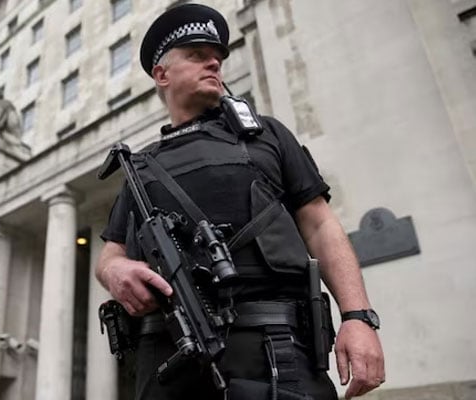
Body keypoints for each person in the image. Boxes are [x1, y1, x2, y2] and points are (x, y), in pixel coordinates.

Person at [95, 4, 385, 400]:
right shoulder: (140, 167)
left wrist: (358, 317)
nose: (214, 62)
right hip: (169, 359)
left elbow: (320, 224)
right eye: (197, 56)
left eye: (218, 57)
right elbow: (111, 255)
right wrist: (116, 272)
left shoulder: (267, 135)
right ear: (161, 74)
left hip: (277, 352)